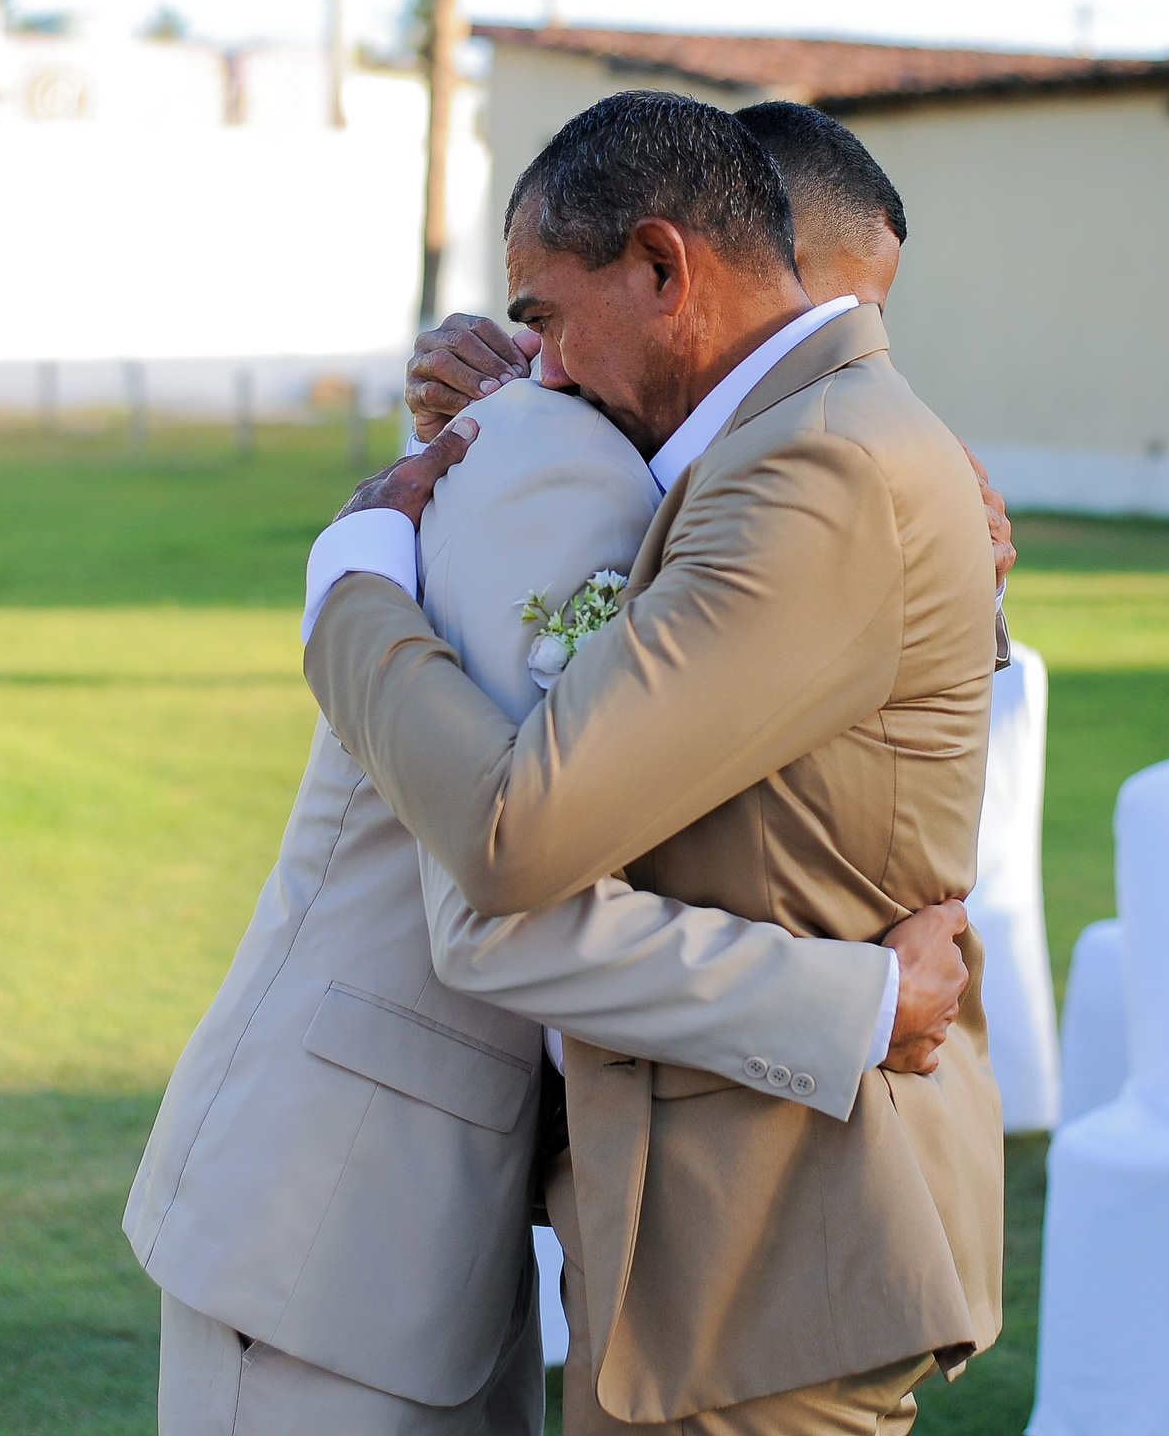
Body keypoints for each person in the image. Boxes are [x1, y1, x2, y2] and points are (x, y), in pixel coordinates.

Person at [307, 90, 1004, 1435]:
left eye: (549, 315)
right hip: (724, 1233)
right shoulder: (774, 450)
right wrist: (535, 423)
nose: (545, 364)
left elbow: (519, 831)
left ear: (663, 265)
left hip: (778, 1239)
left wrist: (353, 590)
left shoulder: (824, 468)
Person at [127, 368, 972, 1436]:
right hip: (332, 1211)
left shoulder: (738, 492)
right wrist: (862, 1002)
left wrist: (930, 547)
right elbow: (500, 909)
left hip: (449, 1208)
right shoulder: (555, 474)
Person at [404, 99, 1015, 592]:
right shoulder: (557, 383)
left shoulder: (856, 464)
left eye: (866, 320)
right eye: (826, 313)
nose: (844, 347)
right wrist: (444, 443)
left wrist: (955, 579)